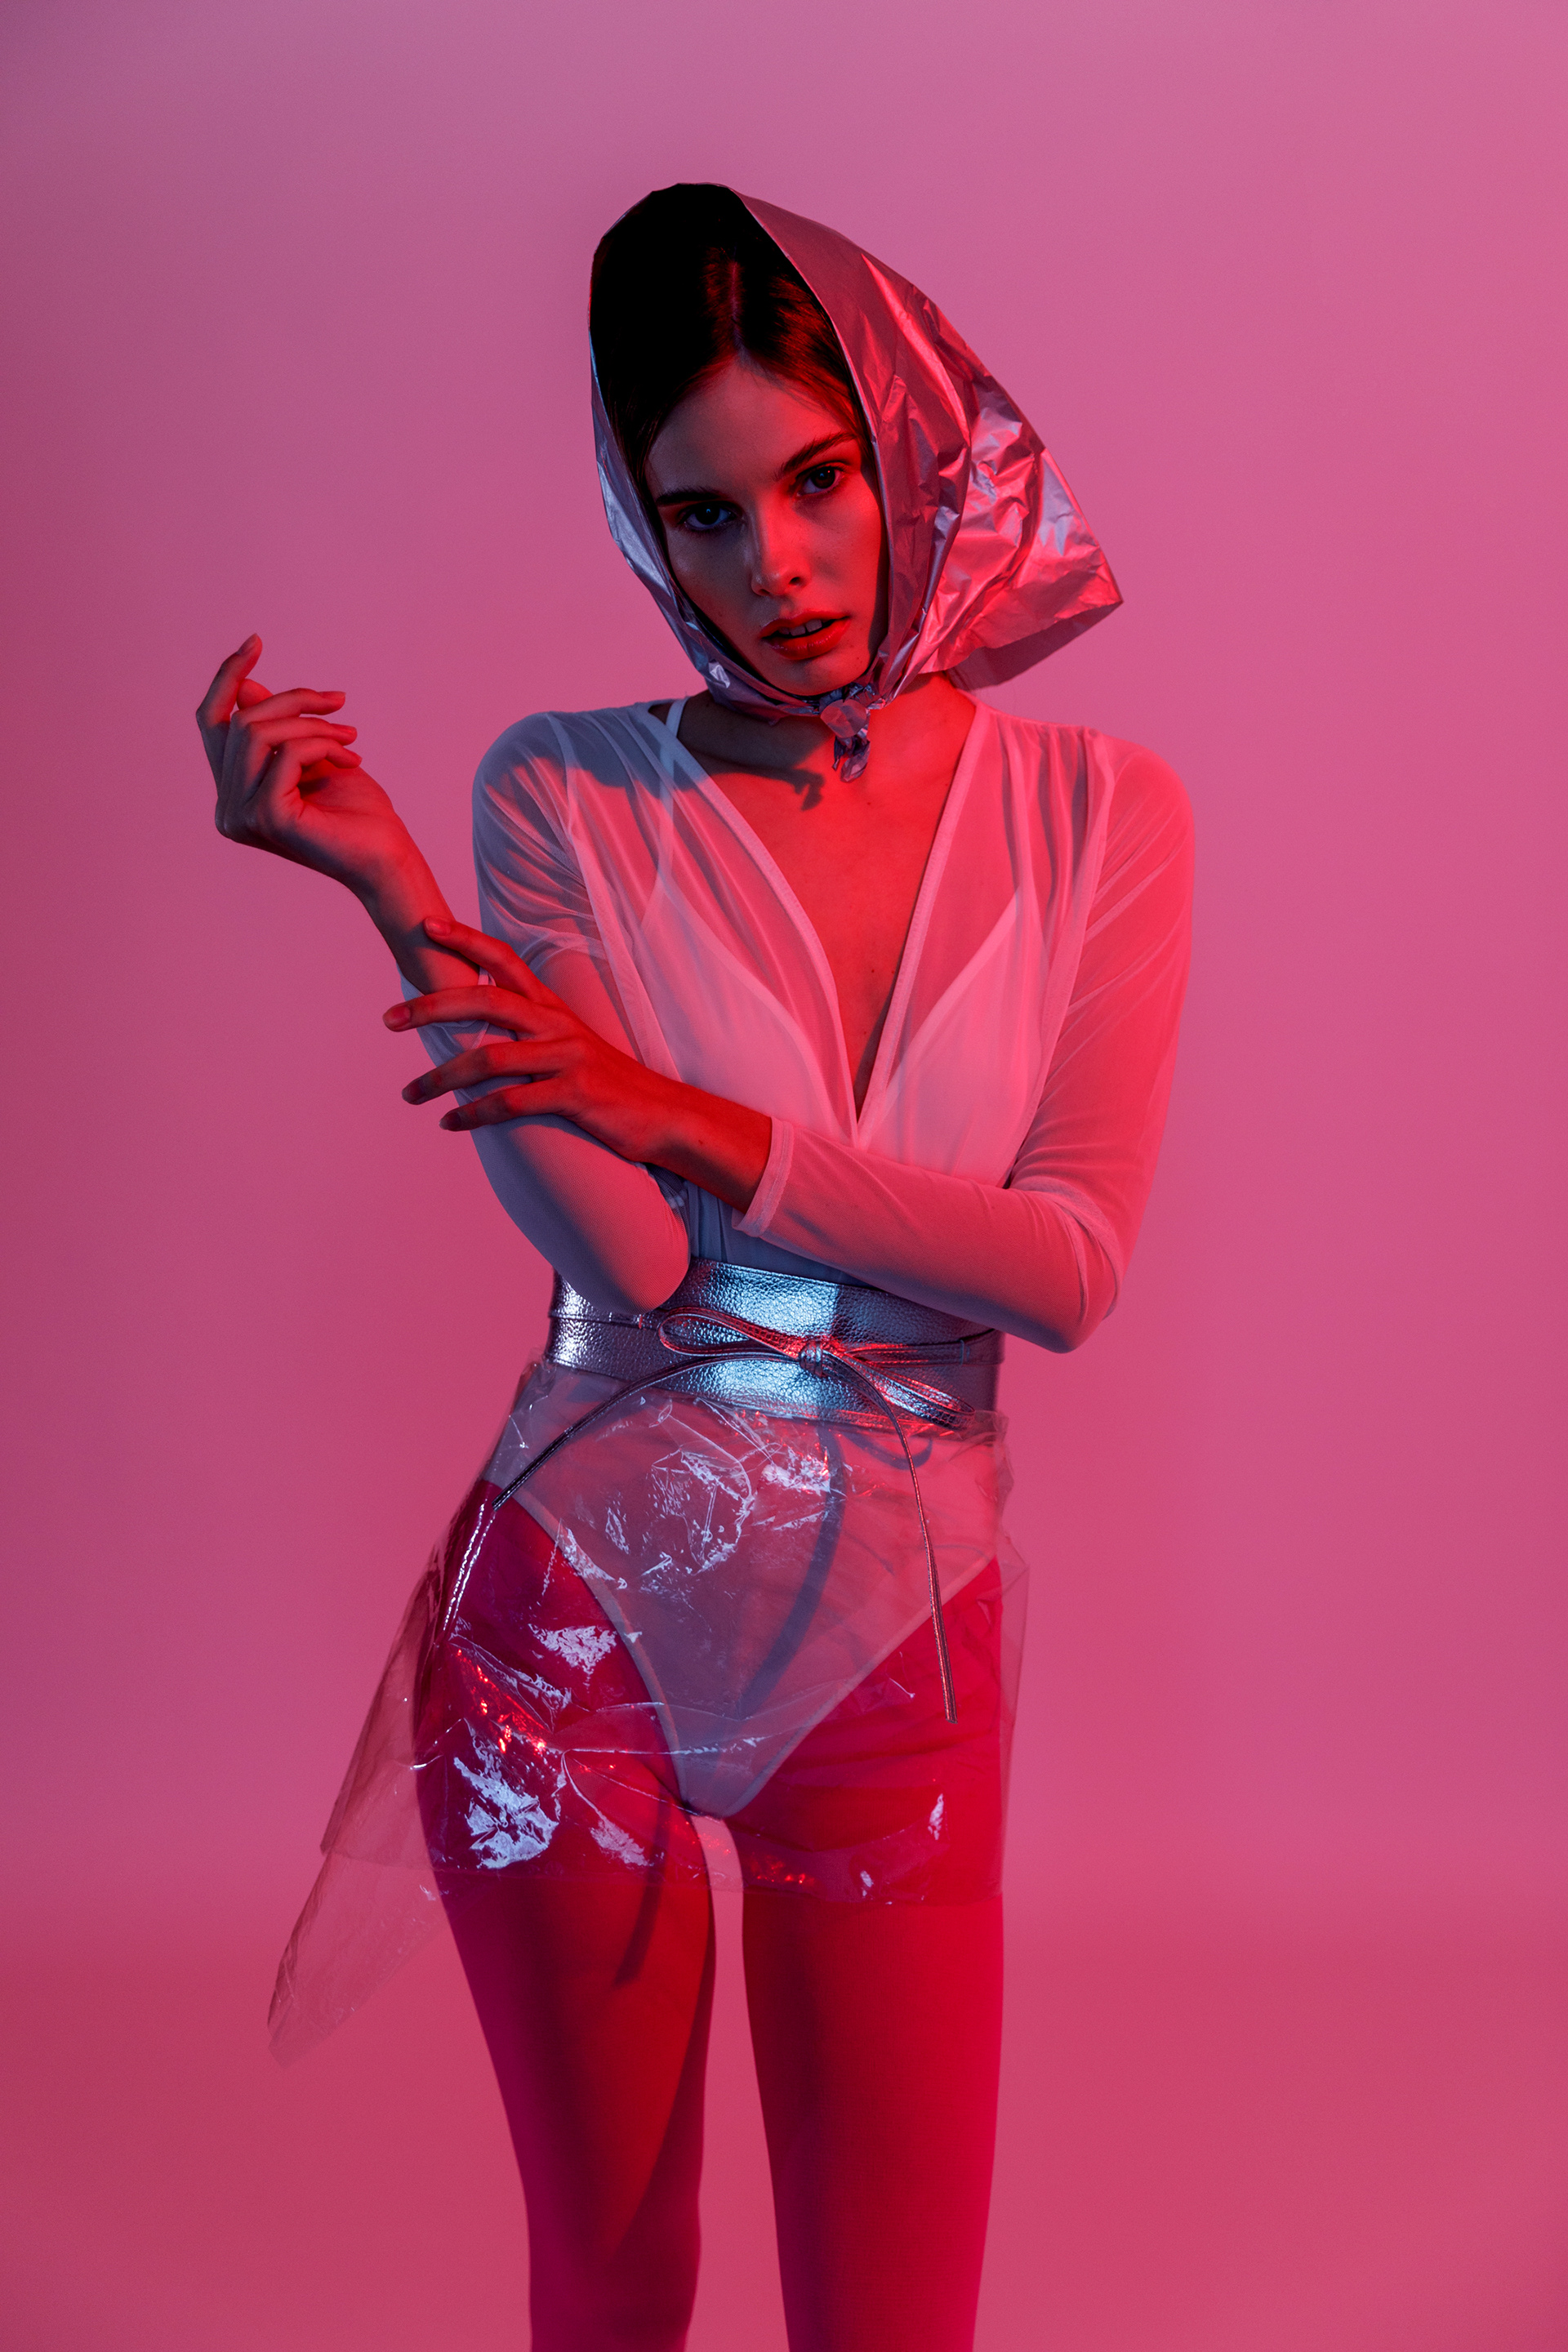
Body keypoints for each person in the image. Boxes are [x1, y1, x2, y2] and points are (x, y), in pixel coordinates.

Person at [197, 184, 1193, 2352]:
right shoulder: (565, 790)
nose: (780, 571)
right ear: (642, 523)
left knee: (891, 2320)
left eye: (819, 482)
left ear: (909, 441)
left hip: (898, 1646)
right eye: (706, 516)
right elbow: (630, 1260)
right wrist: (394, 893)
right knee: (609, 2286)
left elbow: (1066, 1265)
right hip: (571, 1622)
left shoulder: (1102, 809)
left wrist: (688, 1114)